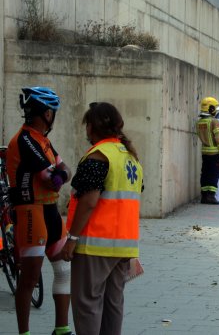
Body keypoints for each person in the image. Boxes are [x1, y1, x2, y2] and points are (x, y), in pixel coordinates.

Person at [62, 102, 143, 335]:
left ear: (92, 127)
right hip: (124, 247)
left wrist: (72, 238)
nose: (86, 130)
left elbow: (89, 201)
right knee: (113, 304)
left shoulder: (98, 156)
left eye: (87, 124)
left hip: (95, 245)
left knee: (87, 305)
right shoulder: (131, 158)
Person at [6, 87, 74, 335]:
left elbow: (65, 169)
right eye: (53, 112)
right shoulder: (24, 140)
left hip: (50, 210)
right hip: (30, 211)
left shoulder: (43, 140)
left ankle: (62, 328)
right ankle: (24, 332)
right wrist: (59, 174)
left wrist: (61, 174)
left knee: (64, 269)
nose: (54, 115)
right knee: (30, 278)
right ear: (47, 113)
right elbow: (49, 177)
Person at [195, 97, 219, 204]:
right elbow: (218, 137)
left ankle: (204, 196)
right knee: (214, 174)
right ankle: (211, 196)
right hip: (215, 153)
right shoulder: (214, 121)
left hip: (205, 152)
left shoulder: (199, 122)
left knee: (205, 173)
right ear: (211, 108)